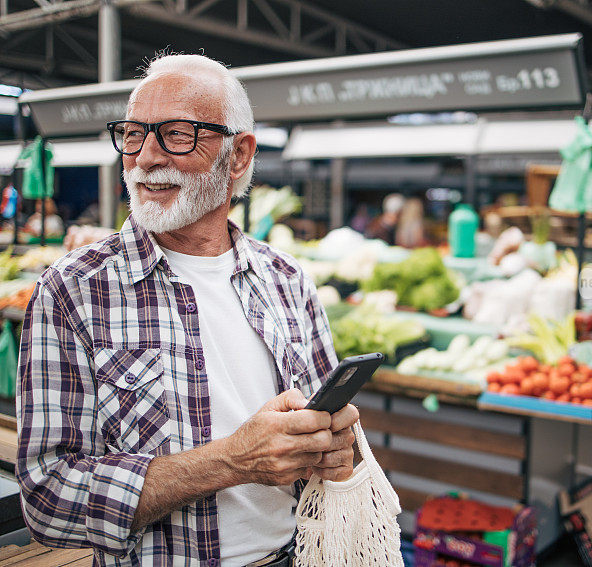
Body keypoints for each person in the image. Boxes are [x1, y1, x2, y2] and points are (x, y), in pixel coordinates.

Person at [16, 54, 358, 567]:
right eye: (133, 134)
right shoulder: (73, 292)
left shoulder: (287, 282)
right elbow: (47, 498)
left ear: (238, 155)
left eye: (176, 133)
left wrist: (334, 450)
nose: (145, 156)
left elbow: (324, 441)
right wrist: (231, 461)